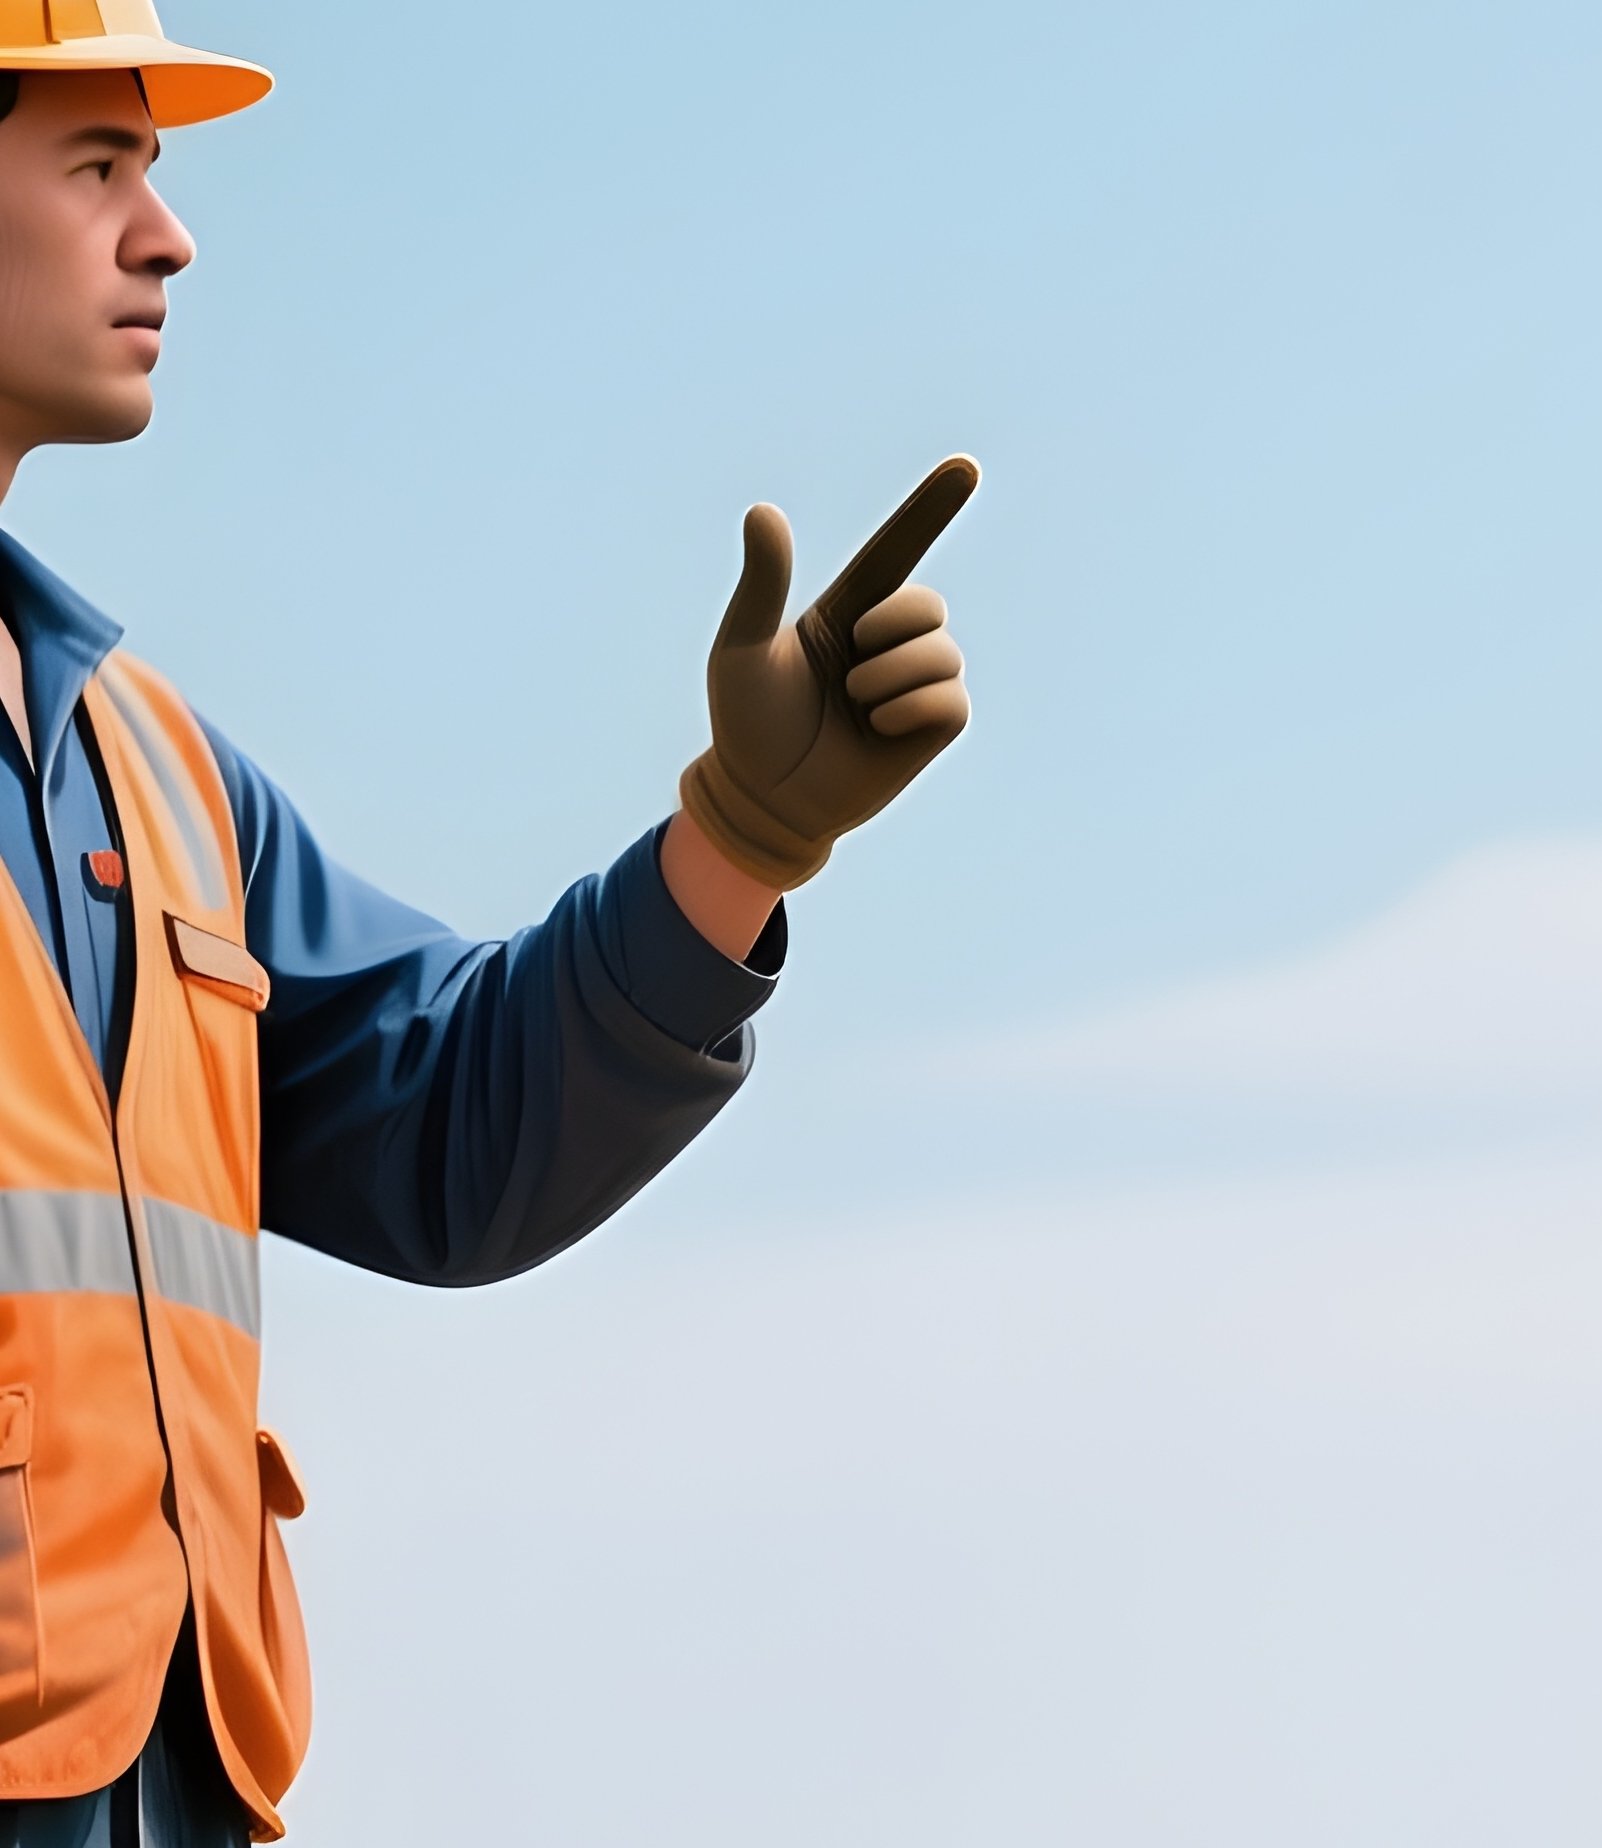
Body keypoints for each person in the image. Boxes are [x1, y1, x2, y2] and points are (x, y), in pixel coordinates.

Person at [0, 11, 975, 1845]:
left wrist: (742, 841)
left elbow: (453, 1130)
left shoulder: (146, 773)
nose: (167, 235)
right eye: (98, 165)